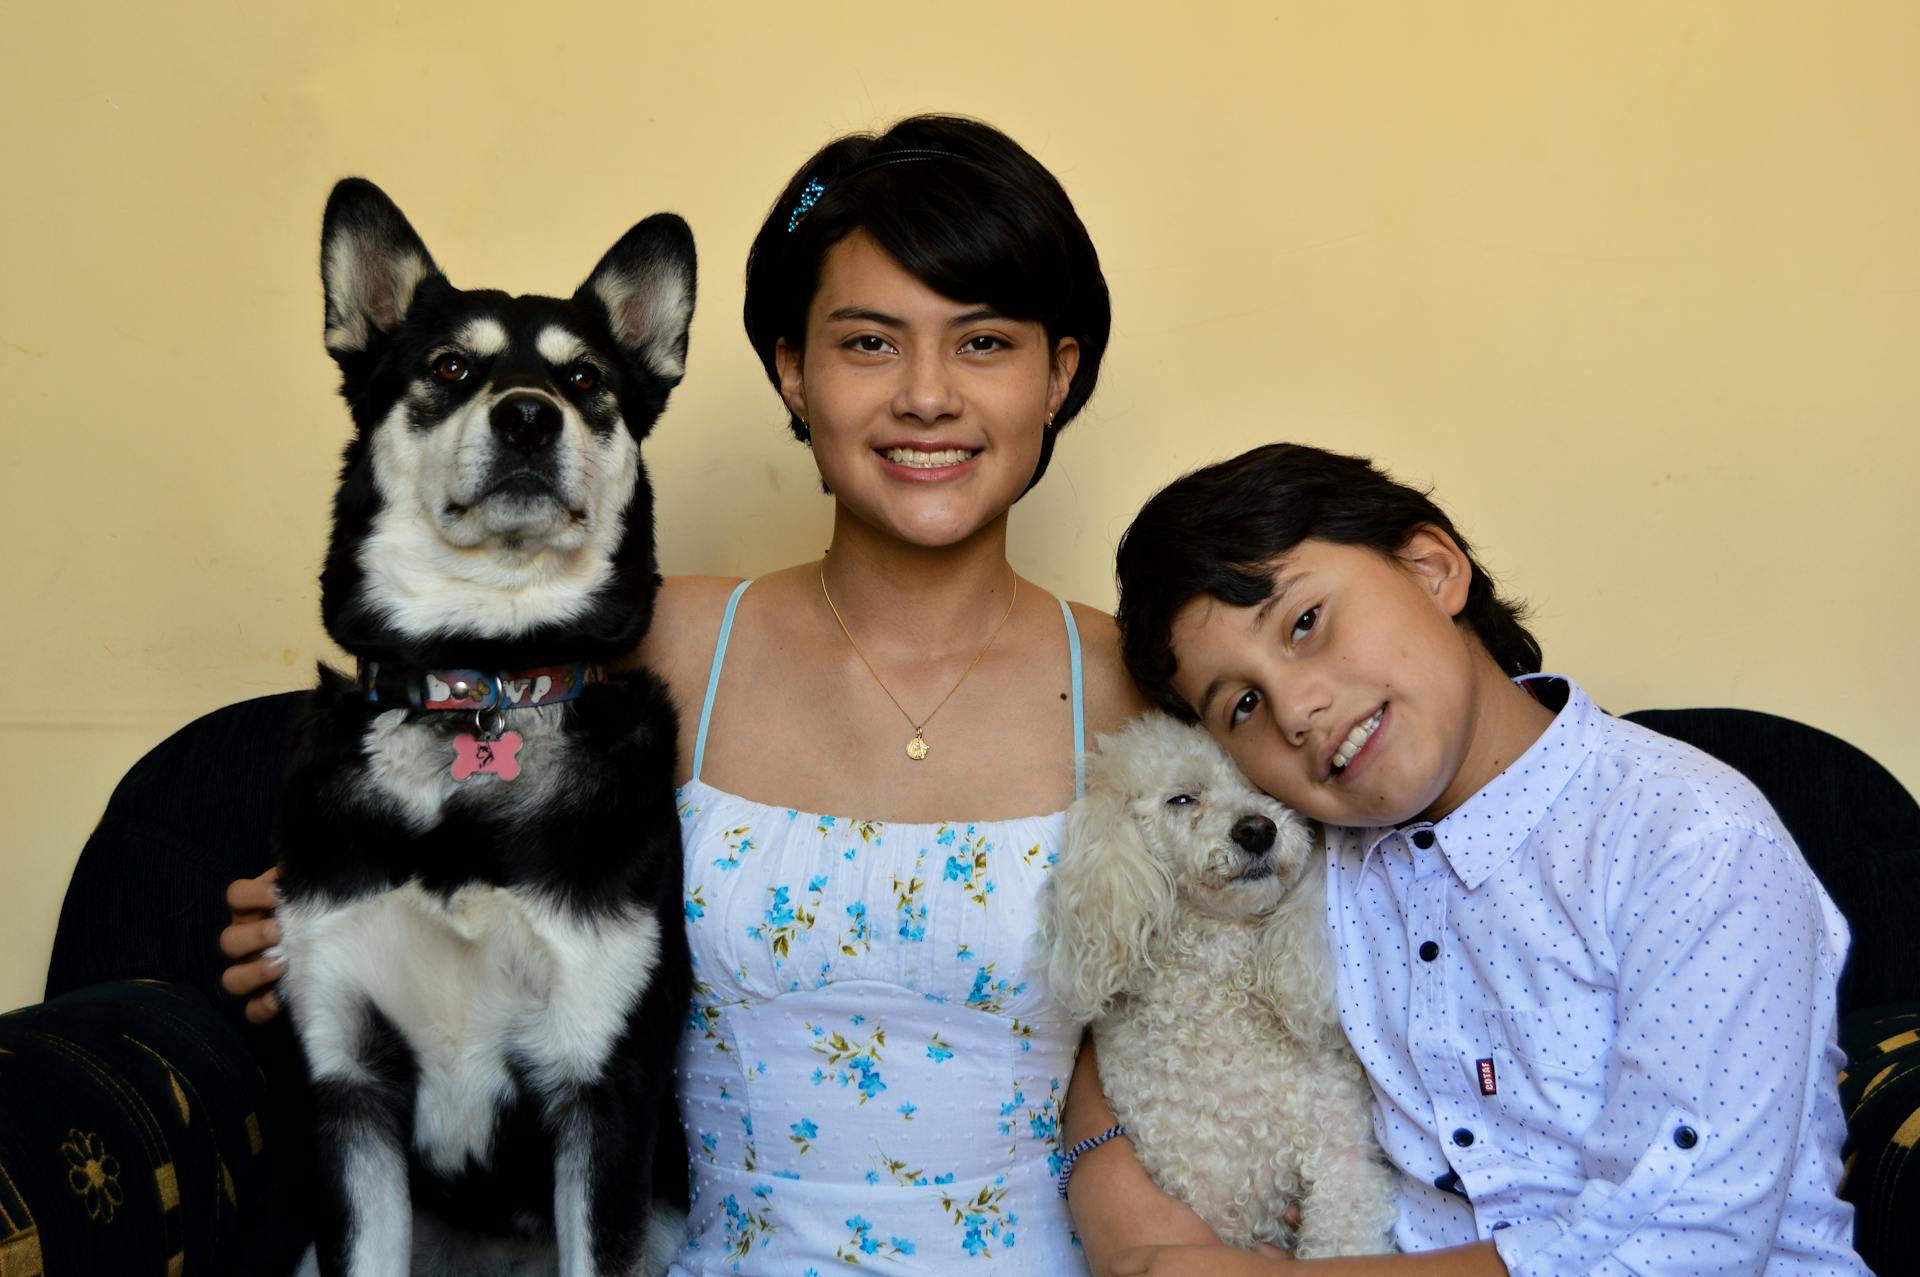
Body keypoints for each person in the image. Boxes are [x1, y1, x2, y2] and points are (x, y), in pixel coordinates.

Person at [219, 114, 1145, 1273]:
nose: (925, 396)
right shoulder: (651, 652)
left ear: (1059, 373)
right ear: (790, 372)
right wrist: (330, 920)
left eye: (984, 343)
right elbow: (428, 806)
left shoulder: (1142, 691)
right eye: (867, 343)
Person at [1060, 442, 1868, 1275]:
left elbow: (1684, 1241)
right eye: (1244, 705)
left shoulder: (1688, 836)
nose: (1297, 711)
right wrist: (1108, 1177)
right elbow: (1137, 988)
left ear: (1433, 567)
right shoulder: (1302, 857)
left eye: (1306, 622)